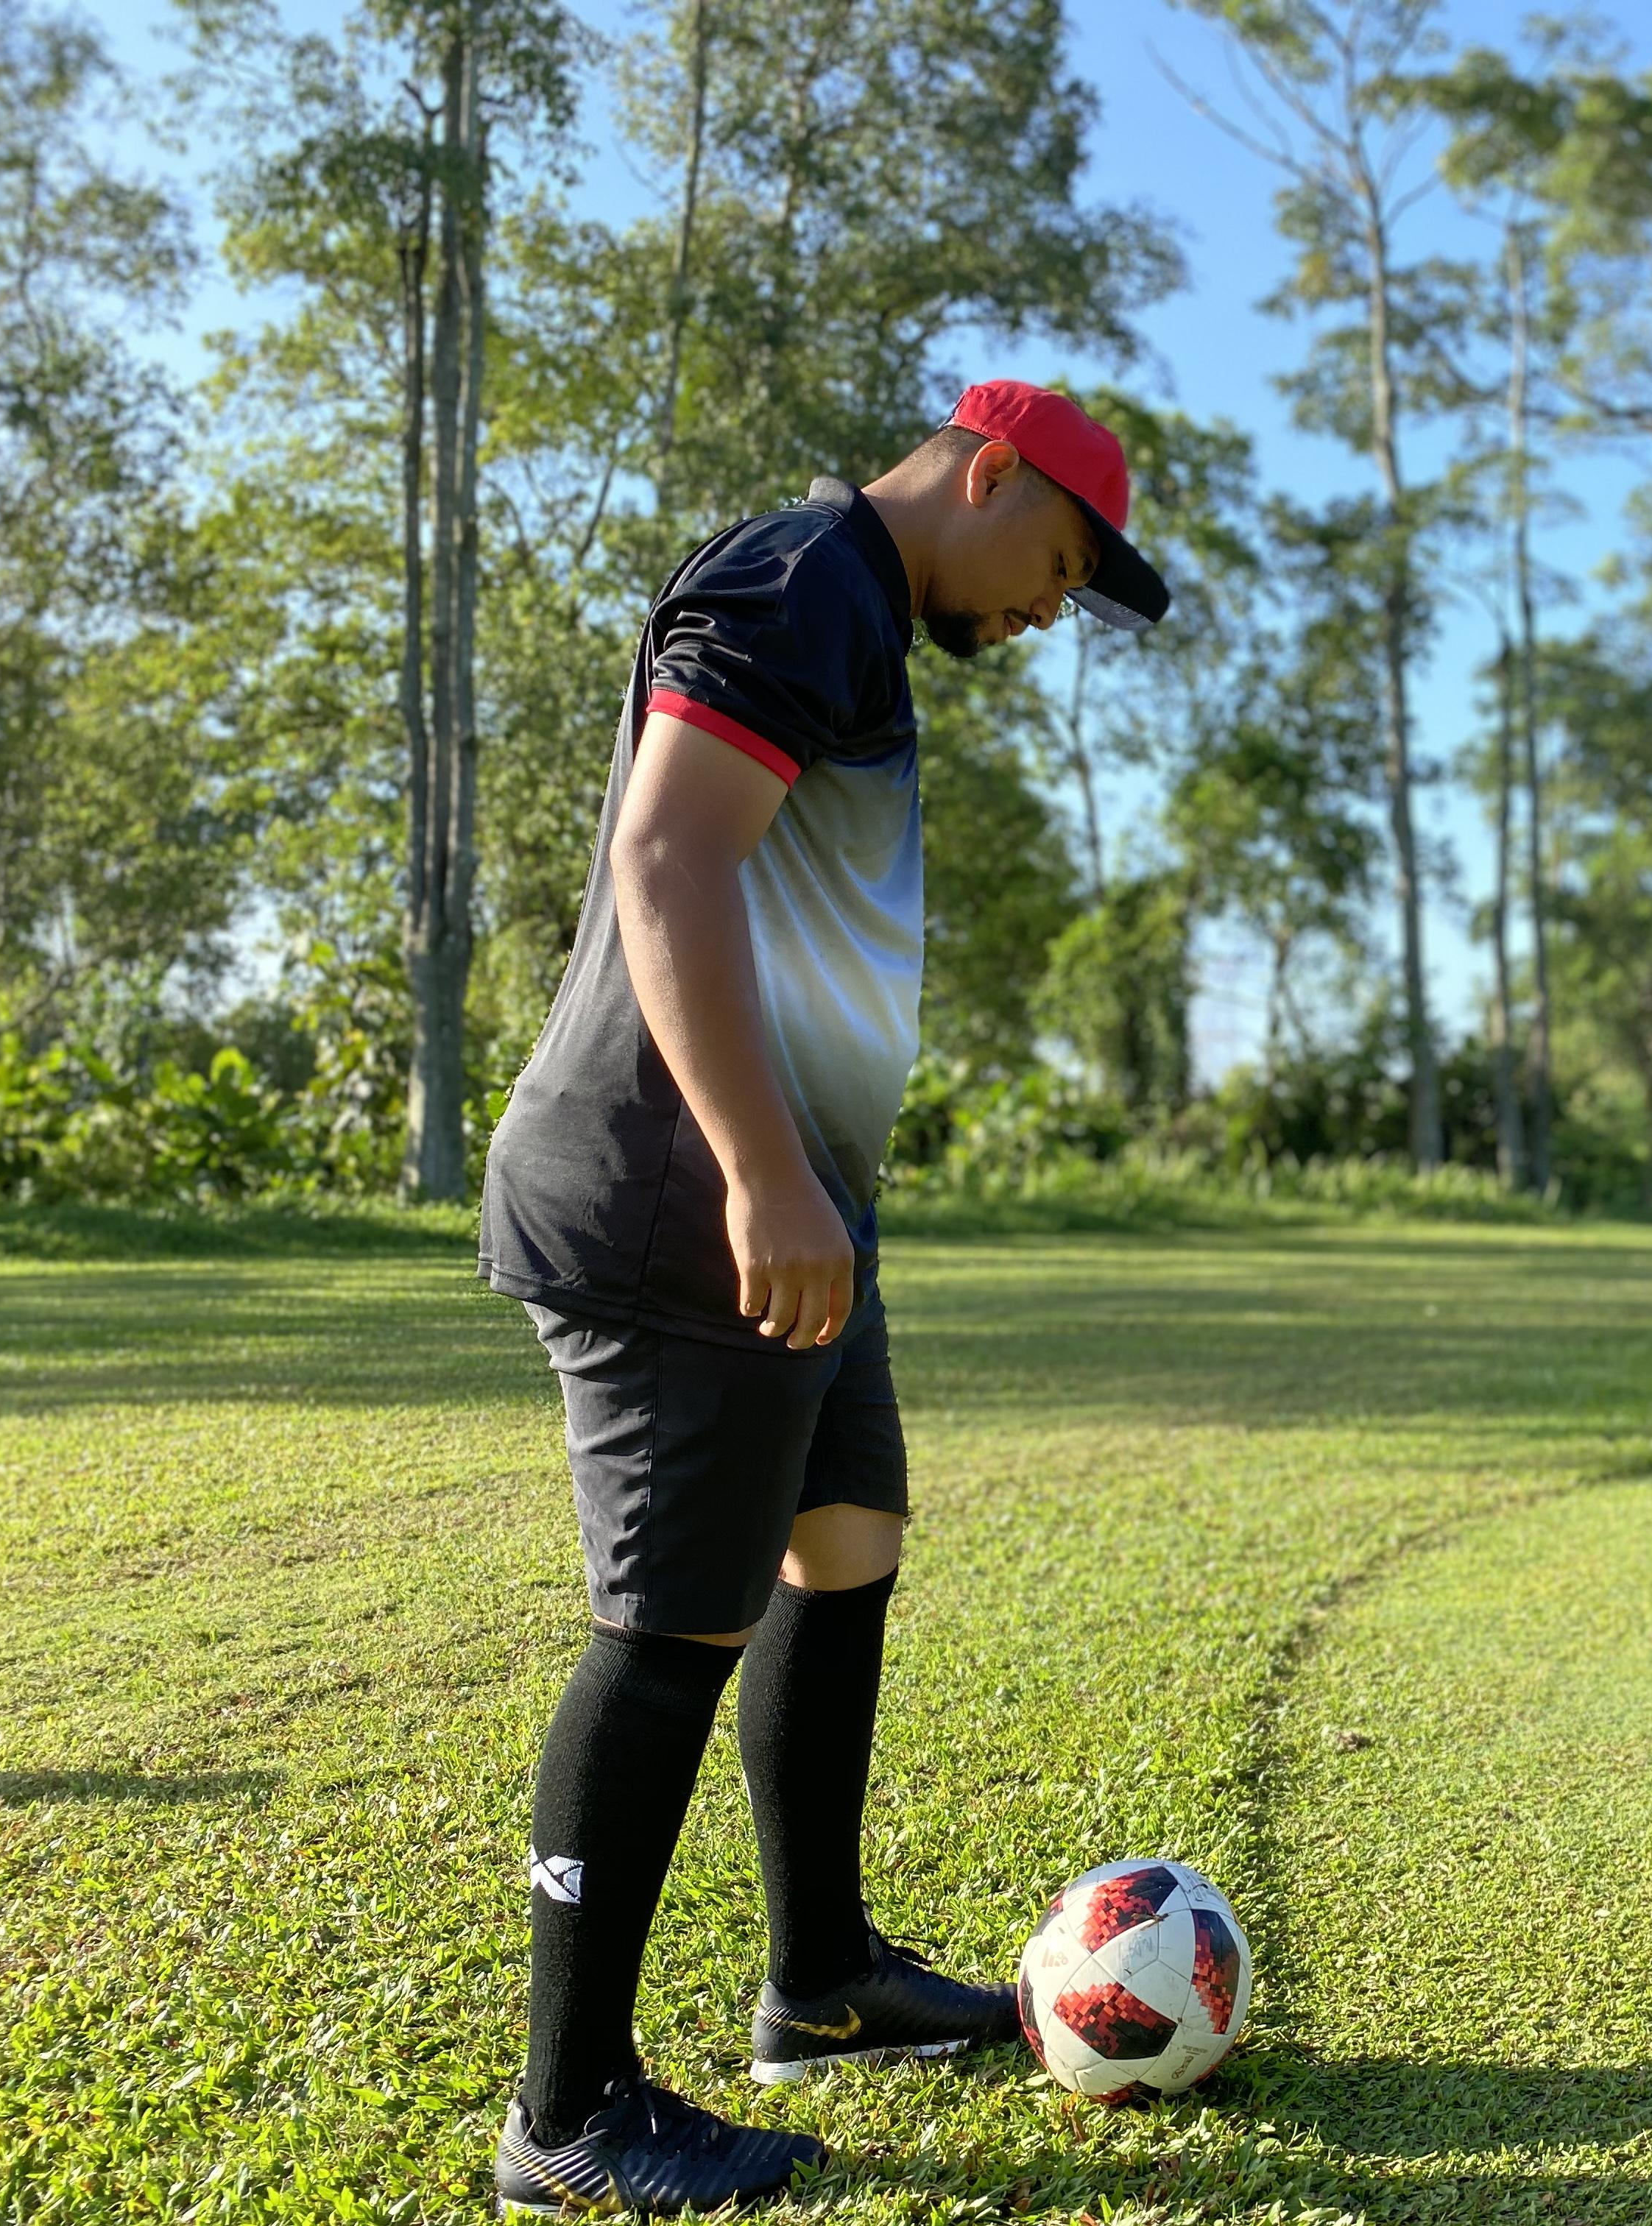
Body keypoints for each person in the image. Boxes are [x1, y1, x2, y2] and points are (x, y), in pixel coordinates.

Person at [475, 381, 1170, 2214]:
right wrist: (768, 1176)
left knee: (842, 1534)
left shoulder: (856, 605)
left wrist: (817, 1184)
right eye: (1057, 564)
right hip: (682, 1201)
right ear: (991, 469)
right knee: (669, 1624)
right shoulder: (806, 581)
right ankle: (568, 2110)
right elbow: (666, 855)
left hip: (793, 1204)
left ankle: (821, 1982)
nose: (1047, 611)